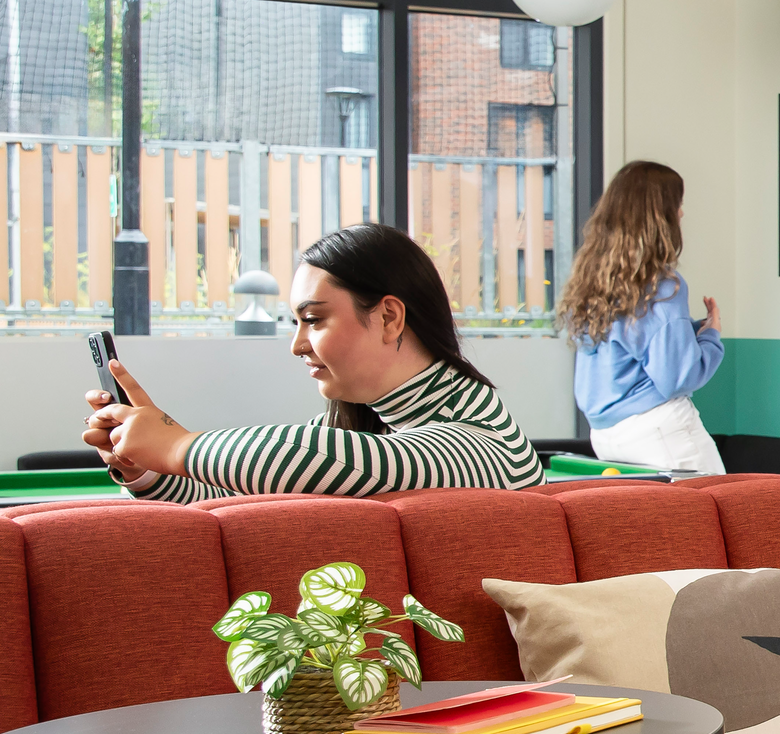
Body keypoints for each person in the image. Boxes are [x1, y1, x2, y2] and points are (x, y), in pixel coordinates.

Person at [82, 222, 542, 499]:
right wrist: (143, 467)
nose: (297, 345)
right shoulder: (373, 423)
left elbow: (309, 458)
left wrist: (175, 447)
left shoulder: (480, 439)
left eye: (314, 320)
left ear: (388, 317)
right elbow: (232, 495)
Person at [562, 160, 726, 475]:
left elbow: (634, 346)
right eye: (677, 205)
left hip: (607, 438)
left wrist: (692, 332)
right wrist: (711, 335)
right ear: (659, 217)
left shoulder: (594, 280)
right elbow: (679, 377)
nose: (681, 214)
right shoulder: (662, 286)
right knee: (722, 519)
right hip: (660, 432)